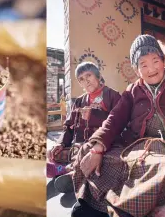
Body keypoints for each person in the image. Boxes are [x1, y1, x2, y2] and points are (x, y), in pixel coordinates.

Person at [70, 34, 165, 217]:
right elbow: (114, 118)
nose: (151, 69)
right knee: (89, 149)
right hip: (138, 149)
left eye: (155, 61)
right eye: (143, 64)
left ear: (163, 61)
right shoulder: (132, 91)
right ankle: (90, 201)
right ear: (137, 70)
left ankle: (121, 209)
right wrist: (98, 147)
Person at [47, 62, 121, 194]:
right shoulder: (79, 101)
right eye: (81, 79)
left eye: (89, 75)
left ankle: (67, 171)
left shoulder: (112, 96)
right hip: (79, 145)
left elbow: (118, 122)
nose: (86, 81)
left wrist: (94, 115)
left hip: (102, 144)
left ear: (98, 76)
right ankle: (70, 167)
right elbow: (69, 127)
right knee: (56, 152)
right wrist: (60, 143)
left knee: (101, 157)